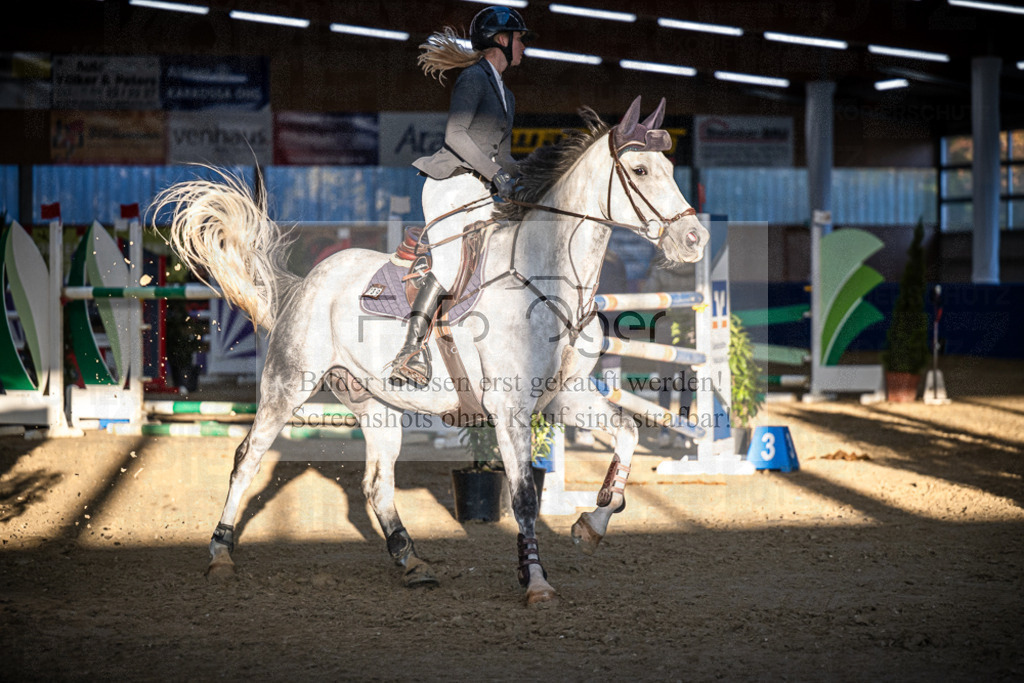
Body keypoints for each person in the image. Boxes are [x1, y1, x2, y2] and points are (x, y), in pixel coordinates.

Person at [389, 6, 535, 387]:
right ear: (500, 40)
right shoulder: (472, 79)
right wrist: (496, 174)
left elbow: (502, 157)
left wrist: (534, 174)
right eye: (519, 39)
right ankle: (409, 350)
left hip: (477, 187)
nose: (524, 46)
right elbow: (455, 137)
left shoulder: (508, 96)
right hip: (449, 184)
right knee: (452, 262)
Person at [643, 260, 697, 448]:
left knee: (665, 382)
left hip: (666, 327)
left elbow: (648, 298)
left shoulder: (661, 267)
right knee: (687, 382)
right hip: (690, 329)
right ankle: (683, 434)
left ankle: (664, 432)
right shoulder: (698, 268)